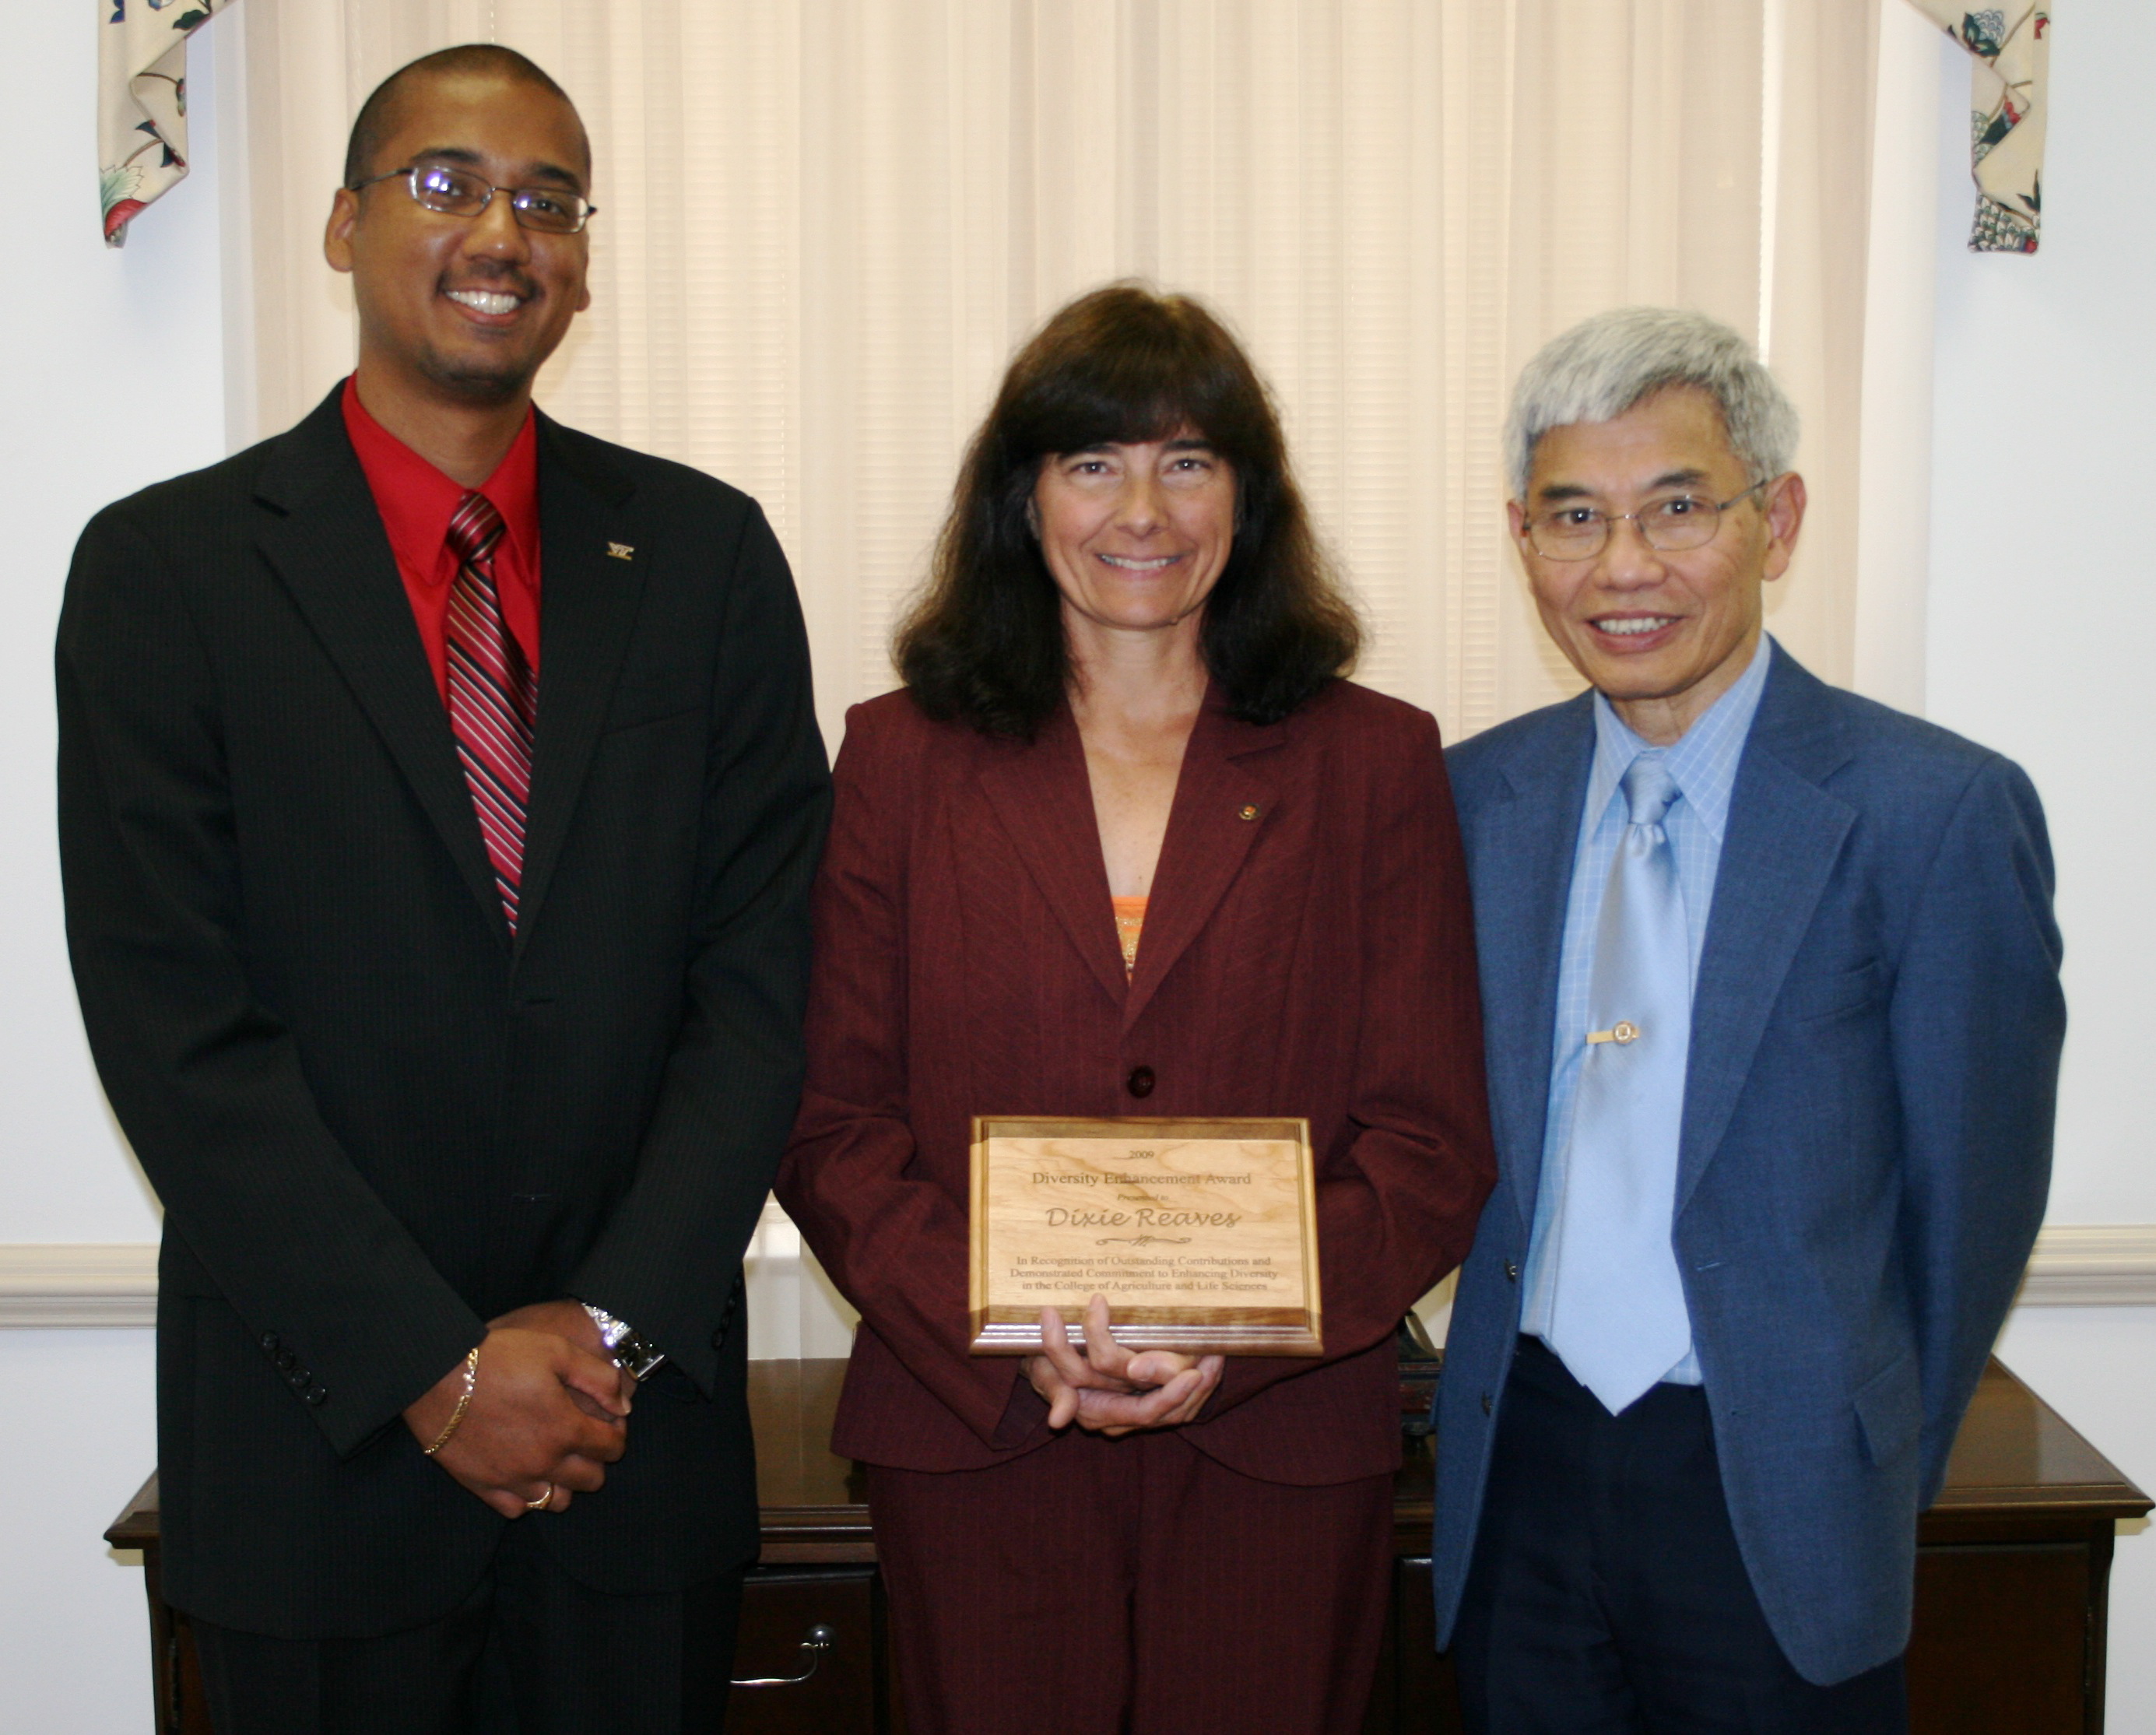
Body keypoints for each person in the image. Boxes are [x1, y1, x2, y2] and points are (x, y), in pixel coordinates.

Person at [58, 44, 828, 1735]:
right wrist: (433, 1366)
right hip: (316, 1455)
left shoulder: (703, 558)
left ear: (583, 259)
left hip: (627, 1463)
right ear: (340, 226)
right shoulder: (166, 572)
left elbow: (759, 987)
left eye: (548, 198)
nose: (504, 227)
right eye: (446, 182)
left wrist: (600, 1333)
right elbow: (175, 1025)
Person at [775, 283, 1496, 1734]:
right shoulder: (898, 760)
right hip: (975, 1427)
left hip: (1279, 1437)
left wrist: (1235, 1336)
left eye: (1188, 460)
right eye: (1090, 461)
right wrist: (1009, 1324)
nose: (1141, 509)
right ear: (1020, 494)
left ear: (1249, 492)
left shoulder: (1374, 761)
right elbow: (831, 1119)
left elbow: (1427, 1140)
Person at [1430, 306, 2065, 1731]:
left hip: (1772, 1482)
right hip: (1519, 1469)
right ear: (1519, 537)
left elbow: (1970, 1208)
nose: (1623, 567)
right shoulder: (1470, 804)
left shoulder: (1929, 812)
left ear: (1774, 521)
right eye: (1572, 516)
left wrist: (1847, 1446)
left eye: (1676, 509)